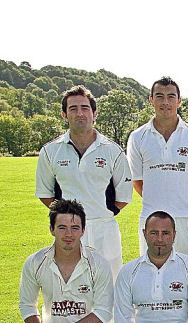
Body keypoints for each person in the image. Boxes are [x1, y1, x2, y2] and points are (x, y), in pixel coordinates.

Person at [36, 85, 132, 278]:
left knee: (108, 287)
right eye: (73, 109)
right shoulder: (50, 151)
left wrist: (99, 212)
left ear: (94, 113)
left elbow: (123, 197)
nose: (79, 113)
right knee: (69, 286)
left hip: (104, 230)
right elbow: (46, 194)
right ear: (64, 115)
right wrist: (68, 218)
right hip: (68, 232)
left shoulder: (113, 151)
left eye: (85, 108)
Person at [126, 76, 188, 273]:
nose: (165, 102)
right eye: (160, 96)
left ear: (179, 101)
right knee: (152, 277)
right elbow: (137, 181)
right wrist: (159, 205)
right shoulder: (137, 137)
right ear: (151, 100)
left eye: (171, 96)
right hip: (151, 220)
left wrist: (183, 201)